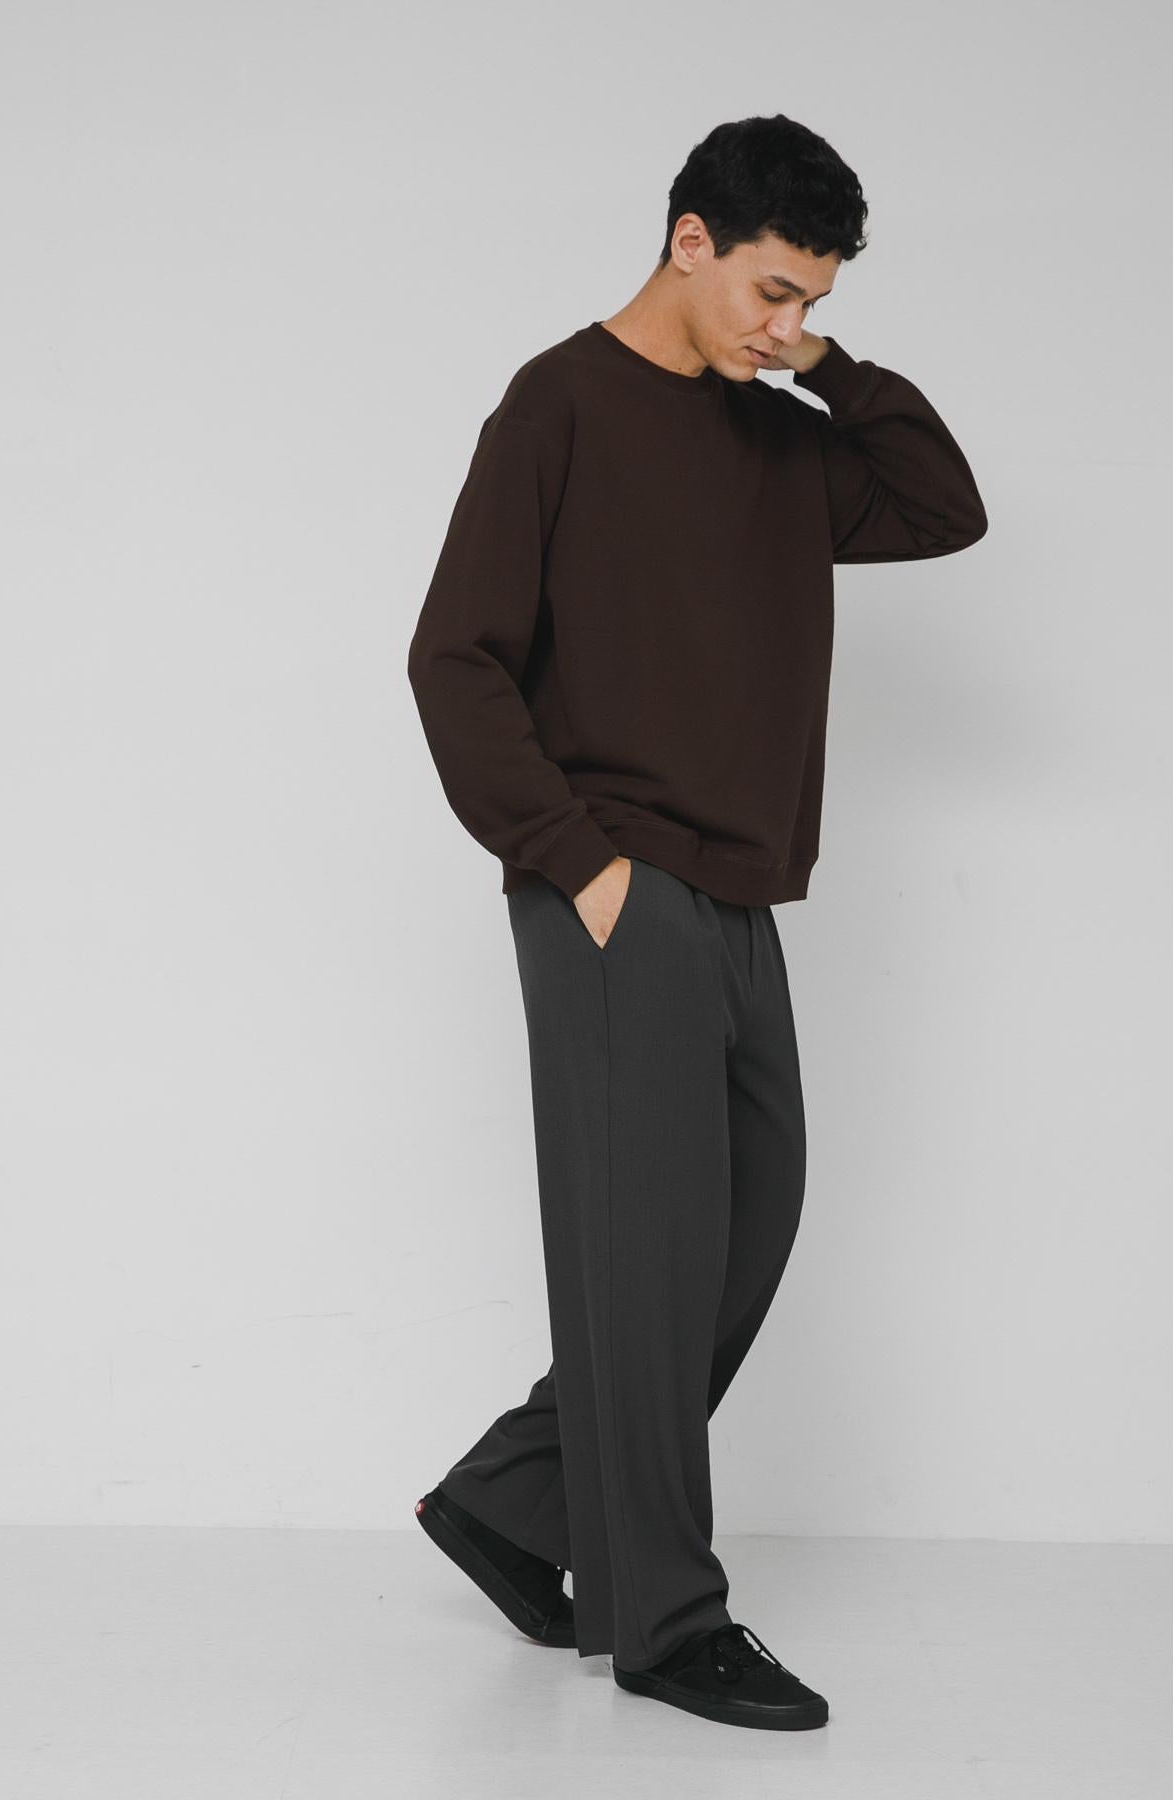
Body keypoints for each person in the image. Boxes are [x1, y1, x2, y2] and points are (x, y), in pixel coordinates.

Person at [406, 112, 987, 1731]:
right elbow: (453, 657)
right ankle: (664, 1624)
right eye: (772, 290)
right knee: (652, 1261)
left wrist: (829, 367)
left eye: (814, 302)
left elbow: (943, 504)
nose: (785, 324)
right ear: (688, 241)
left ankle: (514, 1501)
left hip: (736, 894)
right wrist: (576, 863)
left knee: (746, 1226)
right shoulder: (557, 406)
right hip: (611, 886)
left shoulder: (781, 441)